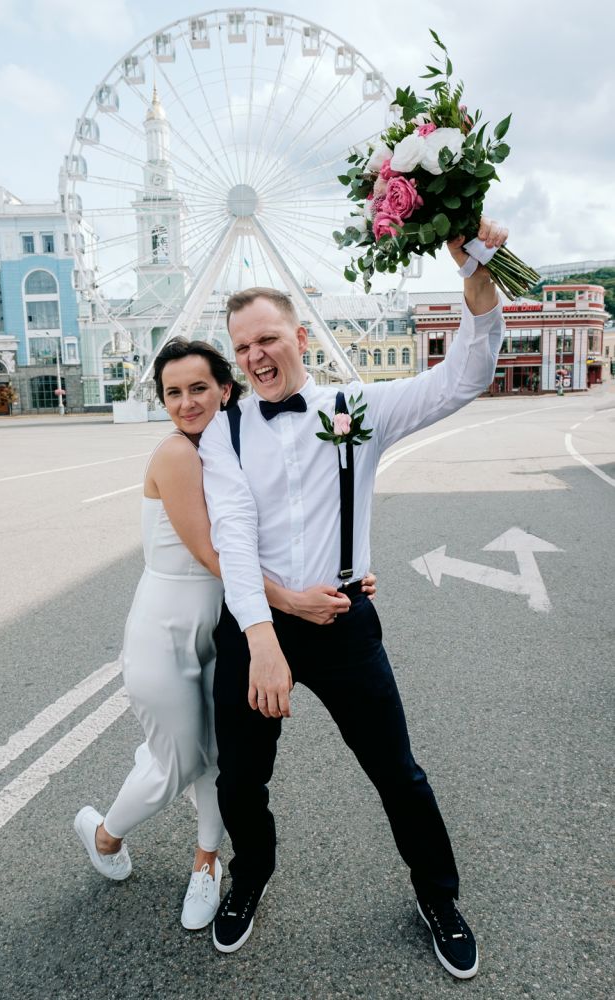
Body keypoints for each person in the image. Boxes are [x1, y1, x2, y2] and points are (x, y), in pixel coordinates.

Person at [199, 219, 508, 977]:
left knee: (397, 772)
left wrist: (475, 275)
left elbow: (460, 379)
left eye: (267, 339)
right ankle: (250, 876)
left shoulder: (354, 409)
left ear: (299, 336)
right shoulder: (224, 434)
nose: (254, 356)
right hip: (256, 627)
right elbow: (232, 540)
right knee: (241, 779)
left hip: (342, 622)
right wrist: (264, 638)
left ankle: (437, 897)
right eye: (241, 347)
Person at [74, 338, 377, 930]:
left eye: (199, 388)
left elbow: (293, 522)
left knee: (222, 758)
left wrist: (345, 575)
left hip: (225, 621)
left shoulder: (238, 445)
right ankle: (104, 834)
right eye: (173, 393)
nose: (186, 403)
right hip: (165, 625)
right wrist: (292, 600)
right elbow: (216, 555)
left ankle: (206, 861)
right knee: (176, 761)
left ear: (225, 389)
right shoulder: (177, 455)